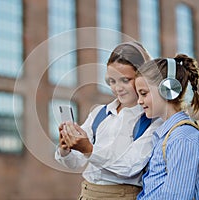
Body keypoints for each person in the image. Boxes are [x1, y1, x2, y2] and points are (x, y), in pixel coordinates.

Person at [55, 41, 163, 199]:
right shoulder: (99, 113)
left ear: (143, 77)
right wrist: (67, 149)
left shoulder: (152, 121)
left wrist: (89, 150)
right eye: (112, 81)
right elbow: (76, 163)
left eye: (125, 80)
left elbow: (130, 166)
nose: (117, 88)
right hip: (87, 194)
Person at [135, 54, 199, 199]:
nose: (139, 101)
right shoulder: (168, 134)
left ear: (168, 88)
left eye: (144, 93)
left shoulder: (183, 137)